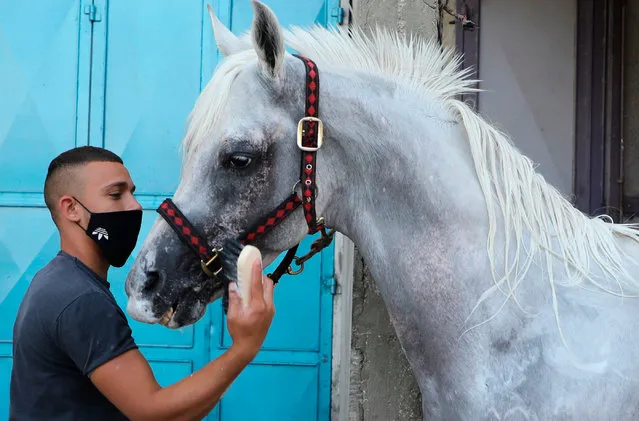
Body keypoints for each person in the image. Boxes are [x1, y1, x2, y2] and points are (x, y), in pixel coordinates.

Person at [9, 146, 276, 421]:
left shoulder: (59, 280)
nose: (134, 206)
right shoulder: (79, 298)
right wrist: (244, 347)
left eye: (132, 193)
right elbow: (154, 414)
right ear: (72, 208)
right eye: (115, 194)